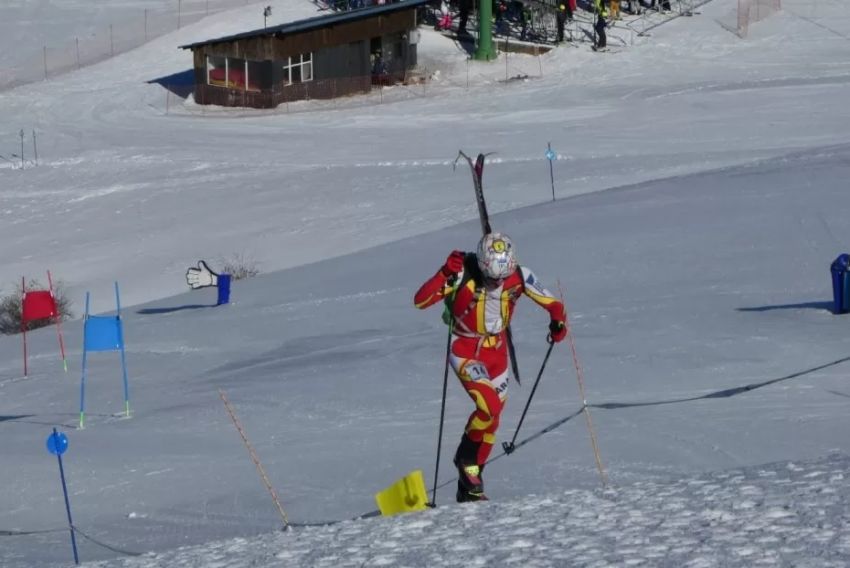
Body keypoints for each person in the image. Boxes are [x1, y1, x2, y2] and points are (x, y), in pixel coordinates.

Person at [414, 233, 567, 502]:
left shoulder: (518, 275)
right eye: (491, 278)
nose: (497, 283)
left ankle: (471, 488)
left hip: (497, 353)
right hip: (465, 349)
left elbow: (554, 304)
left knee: (493, 420)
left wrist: (558, 324)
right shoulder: (463, 272)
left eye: (501, 279)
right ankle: (465, 459)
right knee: (489, 406)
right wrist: (444, 272)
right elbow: (421, 301)